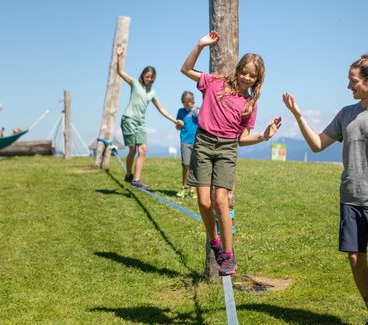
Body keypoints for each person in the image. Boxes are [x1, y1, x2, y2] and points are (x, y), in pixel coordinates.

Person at [282, 49, 368, 325]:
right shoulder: (346, 114)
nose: (348, 86)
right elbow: (317, 145)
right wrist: (298, 115)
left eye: (353, 81)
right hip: (351, 199)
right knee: (356, 259)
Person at [181, 31, 281, 276]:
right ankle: (214, 241)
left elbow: (241, 139)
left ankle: (228, 254)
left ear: (257, 80)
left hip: (226, 148)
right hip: (203, 143)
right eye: (243, 72)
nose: (246, 77)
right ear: (237, 70)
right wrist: (200, 45)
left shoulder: (249, 104)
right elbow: (185, 69)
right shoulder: (215, 83)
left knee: (220, 201)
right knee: (203, 201)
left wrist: (264, 135)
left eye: (252, 75)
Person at [116, 44, 184, 189]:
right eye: (147, 77)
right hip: (128, 119)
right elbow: (120, 71)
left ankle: (136, 180)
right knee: (133, 150)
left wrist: (174, 120)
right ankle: (128, 174)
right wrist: (119, 56)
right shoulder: (134, 83)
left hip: (140, 122)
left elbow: (161, 109)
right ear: (142, 76)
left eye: (152, 77)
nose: (149, 79)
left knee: (143, 150)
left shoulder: (152, 93)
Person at [175, 91, 200, 199]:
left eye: (188, 103)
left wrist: (196, 113)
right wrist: (179, 125)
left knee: (195, 166)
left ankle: (192, 190)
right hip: (185, 141)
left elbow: (203, 123)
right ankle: (184, 187)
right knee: (186, 165)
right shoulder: (180, 111)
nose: (186, 105)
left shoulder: (197, 110)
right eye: (184, 103)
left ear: (192, 101)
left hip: (197, 141)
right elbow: (177, 127)